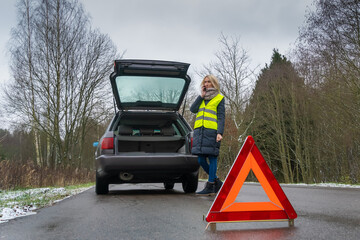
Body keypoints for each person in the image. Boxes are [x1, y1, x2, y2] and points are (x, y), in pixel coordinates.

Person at [190, 75, 225, 195]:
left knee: (212, 157)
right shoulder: (201, 98)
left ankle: (210, 185)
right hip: (200, 132)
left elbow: (221, 117)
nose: (206, 83)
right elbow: (193, 109)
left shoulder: (219, 98)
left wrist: (219, 132)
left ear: (214, 83)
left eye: (209, 82)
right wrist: (201, 96)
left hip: (212, 132)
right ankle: (216, 181)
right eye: (205, 82)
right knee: (200, 159)